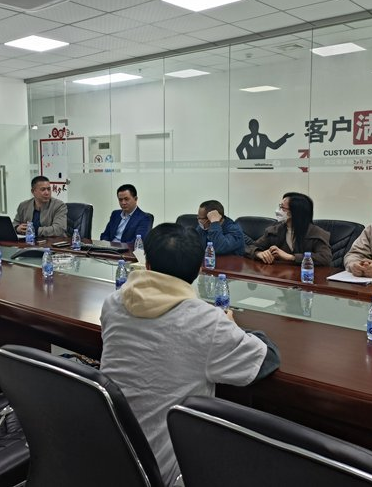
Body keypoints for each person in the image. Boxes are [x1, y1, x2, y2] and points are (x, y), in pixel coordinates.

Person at [100, 223, 280, 486]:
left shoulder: (113, 303)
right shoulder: (205, 321)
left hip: (106, 455)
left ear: (147, 264)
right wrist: (231, 326)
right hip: (166, 473)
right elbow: (266, 358)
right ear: (199, 270)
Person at [245, 192, 331, 266]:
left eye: (282, 208)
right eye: (279, 206)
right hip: (279, 275)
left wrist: (291, 257)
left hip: (307, 276)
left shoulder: (316, 233)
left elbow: (325, 258)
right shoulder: (275, 230)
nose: (278, 210)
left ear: (295, 212)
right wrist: (258, 253)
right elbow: (249, 248)